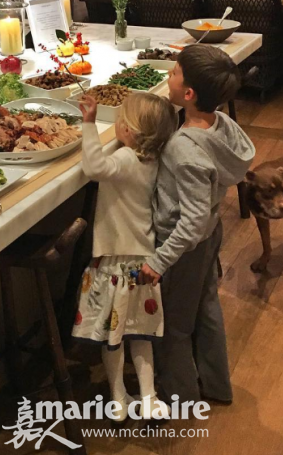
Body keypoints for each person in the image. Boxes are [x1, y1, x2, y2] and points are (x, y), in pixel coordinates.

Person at [140, 45, 256, 404]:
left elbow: (190, 222)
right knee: (206, 307)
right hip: (210, 235)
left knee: (174, 324)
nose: (169, 75)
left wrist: (159, 261)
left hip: (182, 248)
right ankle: (216, 385)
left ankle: (180, 394)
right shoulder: (222, 123)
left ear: (188, 94)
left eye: (174, 72)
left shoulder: (184, 150)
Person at [72, 92, 178, 422]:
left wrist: (89, 124)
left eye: (120, 119)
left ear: (129, 131)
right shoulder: (151, 159)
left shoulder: (127, 160)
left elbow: (93, 167)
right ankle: (149, 397)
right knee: (140, 334)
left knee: (113, 337)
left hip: (114, 262)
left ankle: (118, 399)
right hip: (142, 259)